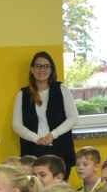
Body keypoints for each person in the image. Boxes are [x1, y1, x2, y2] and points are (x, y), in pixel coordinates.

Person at [12, 52, 78, 180]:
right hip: (33, 151)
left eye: (46, 66)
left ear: (51, 70)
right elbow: (17, 125)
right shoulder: (23, 94)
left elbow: (73, 118)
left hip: (60, 151)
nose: (42, 69)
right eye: (38, 66)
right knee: (35, 188)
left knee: (58, 190)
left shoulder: (61, 89)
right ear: (32, 69)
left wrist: (53, 134)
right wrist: (37, 139)